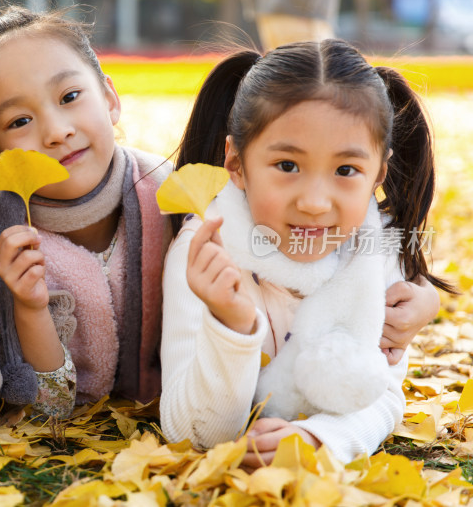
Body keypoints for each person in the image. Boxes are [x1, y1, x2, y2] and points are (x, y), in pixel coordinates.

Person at [160, 39, 452, 466]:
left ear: (378, 174)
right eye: (288, 166)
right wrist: (233, 326)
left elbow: (382, 395)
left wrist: (317, 439)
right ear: (236, 163)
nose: (315, 202)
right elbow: (190, 432)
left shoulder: (374, 250)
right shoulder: (205, 252)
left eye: (346, 171)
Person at [0, 7, 172, 417]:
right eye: (19, 121)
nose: (56, 131)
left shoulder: (171, 198)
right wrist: (30, 309)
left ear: (109, 99)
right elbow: (48, 408)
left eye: (70, 97)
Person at [238, 0, 366, 51]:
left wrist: (252, 6)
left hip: (267, 7)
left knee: (282, 70)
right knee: (318, 71)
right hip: (305, 9)